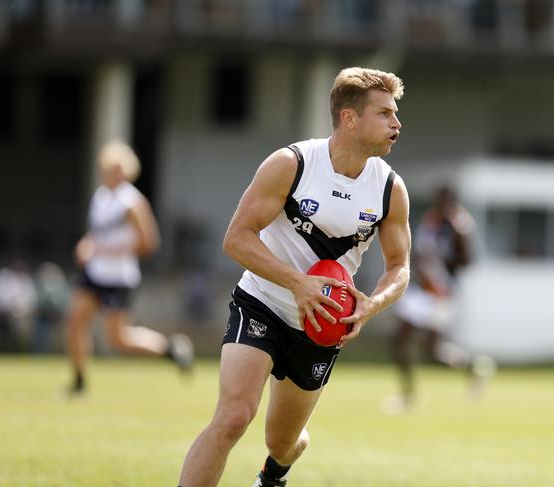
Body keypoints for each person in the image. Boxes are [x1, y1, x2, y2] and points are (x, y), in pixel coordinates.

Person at [178, 67, 411, 487]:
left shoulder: (389, 189)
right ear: (349, 118)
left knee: (283, 442)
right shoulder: (293, 164)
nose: (397, 123)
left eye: (395, 114)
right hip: (264, 302)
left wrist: (373, 304)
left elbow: (400, 266)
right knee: (233, 419)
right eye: (385, 113)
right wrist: (298, 283)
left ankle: (273, 476)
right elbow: (236, 239)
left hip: (321, 327)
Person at [65, 140, 194, 395]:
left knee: (118, 340)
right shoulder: (101, 197)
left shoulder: (132, 202)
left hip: (119, 277)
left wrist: (104, 250)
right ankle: (79, 382)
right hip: (94, 273)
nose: (114, 174)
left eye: (118, 169)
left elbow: (149, 243)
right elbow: (98, 234)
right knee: (76, 323)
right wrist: (86, 245)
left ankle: (170, 349)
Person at [388, 186, 495, 411]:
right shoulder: (431, 220)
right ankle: (408, 396)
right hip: (421, 290)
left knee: (432, 351)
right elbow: (420, 251)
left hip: (440, 291)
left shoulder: (459, 225)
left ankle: (472, 366)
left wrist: (443, 261)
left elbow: (467, 259)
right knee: (399, 340)